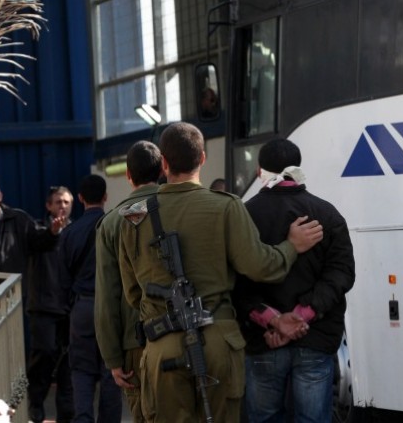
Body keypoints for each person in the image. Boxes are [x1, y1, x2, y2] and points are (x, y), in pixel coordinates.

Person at [118, 121, 324, 422]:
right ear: (202, 158)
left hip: (162, 343)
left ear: (163, 163)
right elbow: (262, 267)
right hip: (217, 340)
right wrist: (291, 246)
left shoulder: (133, 218)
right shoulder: (226, 207)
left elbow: (133, 294)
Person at [233, 138, 355, 422]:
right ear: (298, 167)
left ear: (259, 171)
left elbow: (237, 282)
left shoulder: (244, 216)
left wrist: (275, 321)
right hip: (315, 337)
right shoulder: (328, 214)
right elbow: (341, 273)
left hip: (264, 340)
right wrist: (302, 316)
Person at [95, 140, 162, 423]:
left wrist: (112, 359)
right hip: (189, 331)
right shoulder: (182, 208)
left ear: (128, 175)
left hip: (137, 339)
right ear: (162, 169)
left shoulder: (112, 222)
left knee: (146, 414)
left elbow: (108, 296)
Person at [60, 175, 122, 423]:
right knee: (112, 370)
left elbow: (62, 280)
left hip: (82, 307)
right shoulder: (116, 227)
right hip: (112, 308)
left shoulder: (69, 233)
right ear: (105, 197)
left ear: (80, 198)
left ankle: (83, 418)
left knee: (82, 370)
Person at [26, 186, 75, 423]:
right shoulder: (37, 229)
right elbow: (41, 242)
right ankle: (35, 403)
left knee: (69, 363)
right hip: (44, 306)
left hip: (71, 307)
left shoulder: (76, 231)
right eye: (58, 202)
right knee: (44, 355)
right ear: (48, 206)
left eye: (66, 202)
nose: (62, 206)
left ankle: (66, 413)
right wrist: (53, 232)